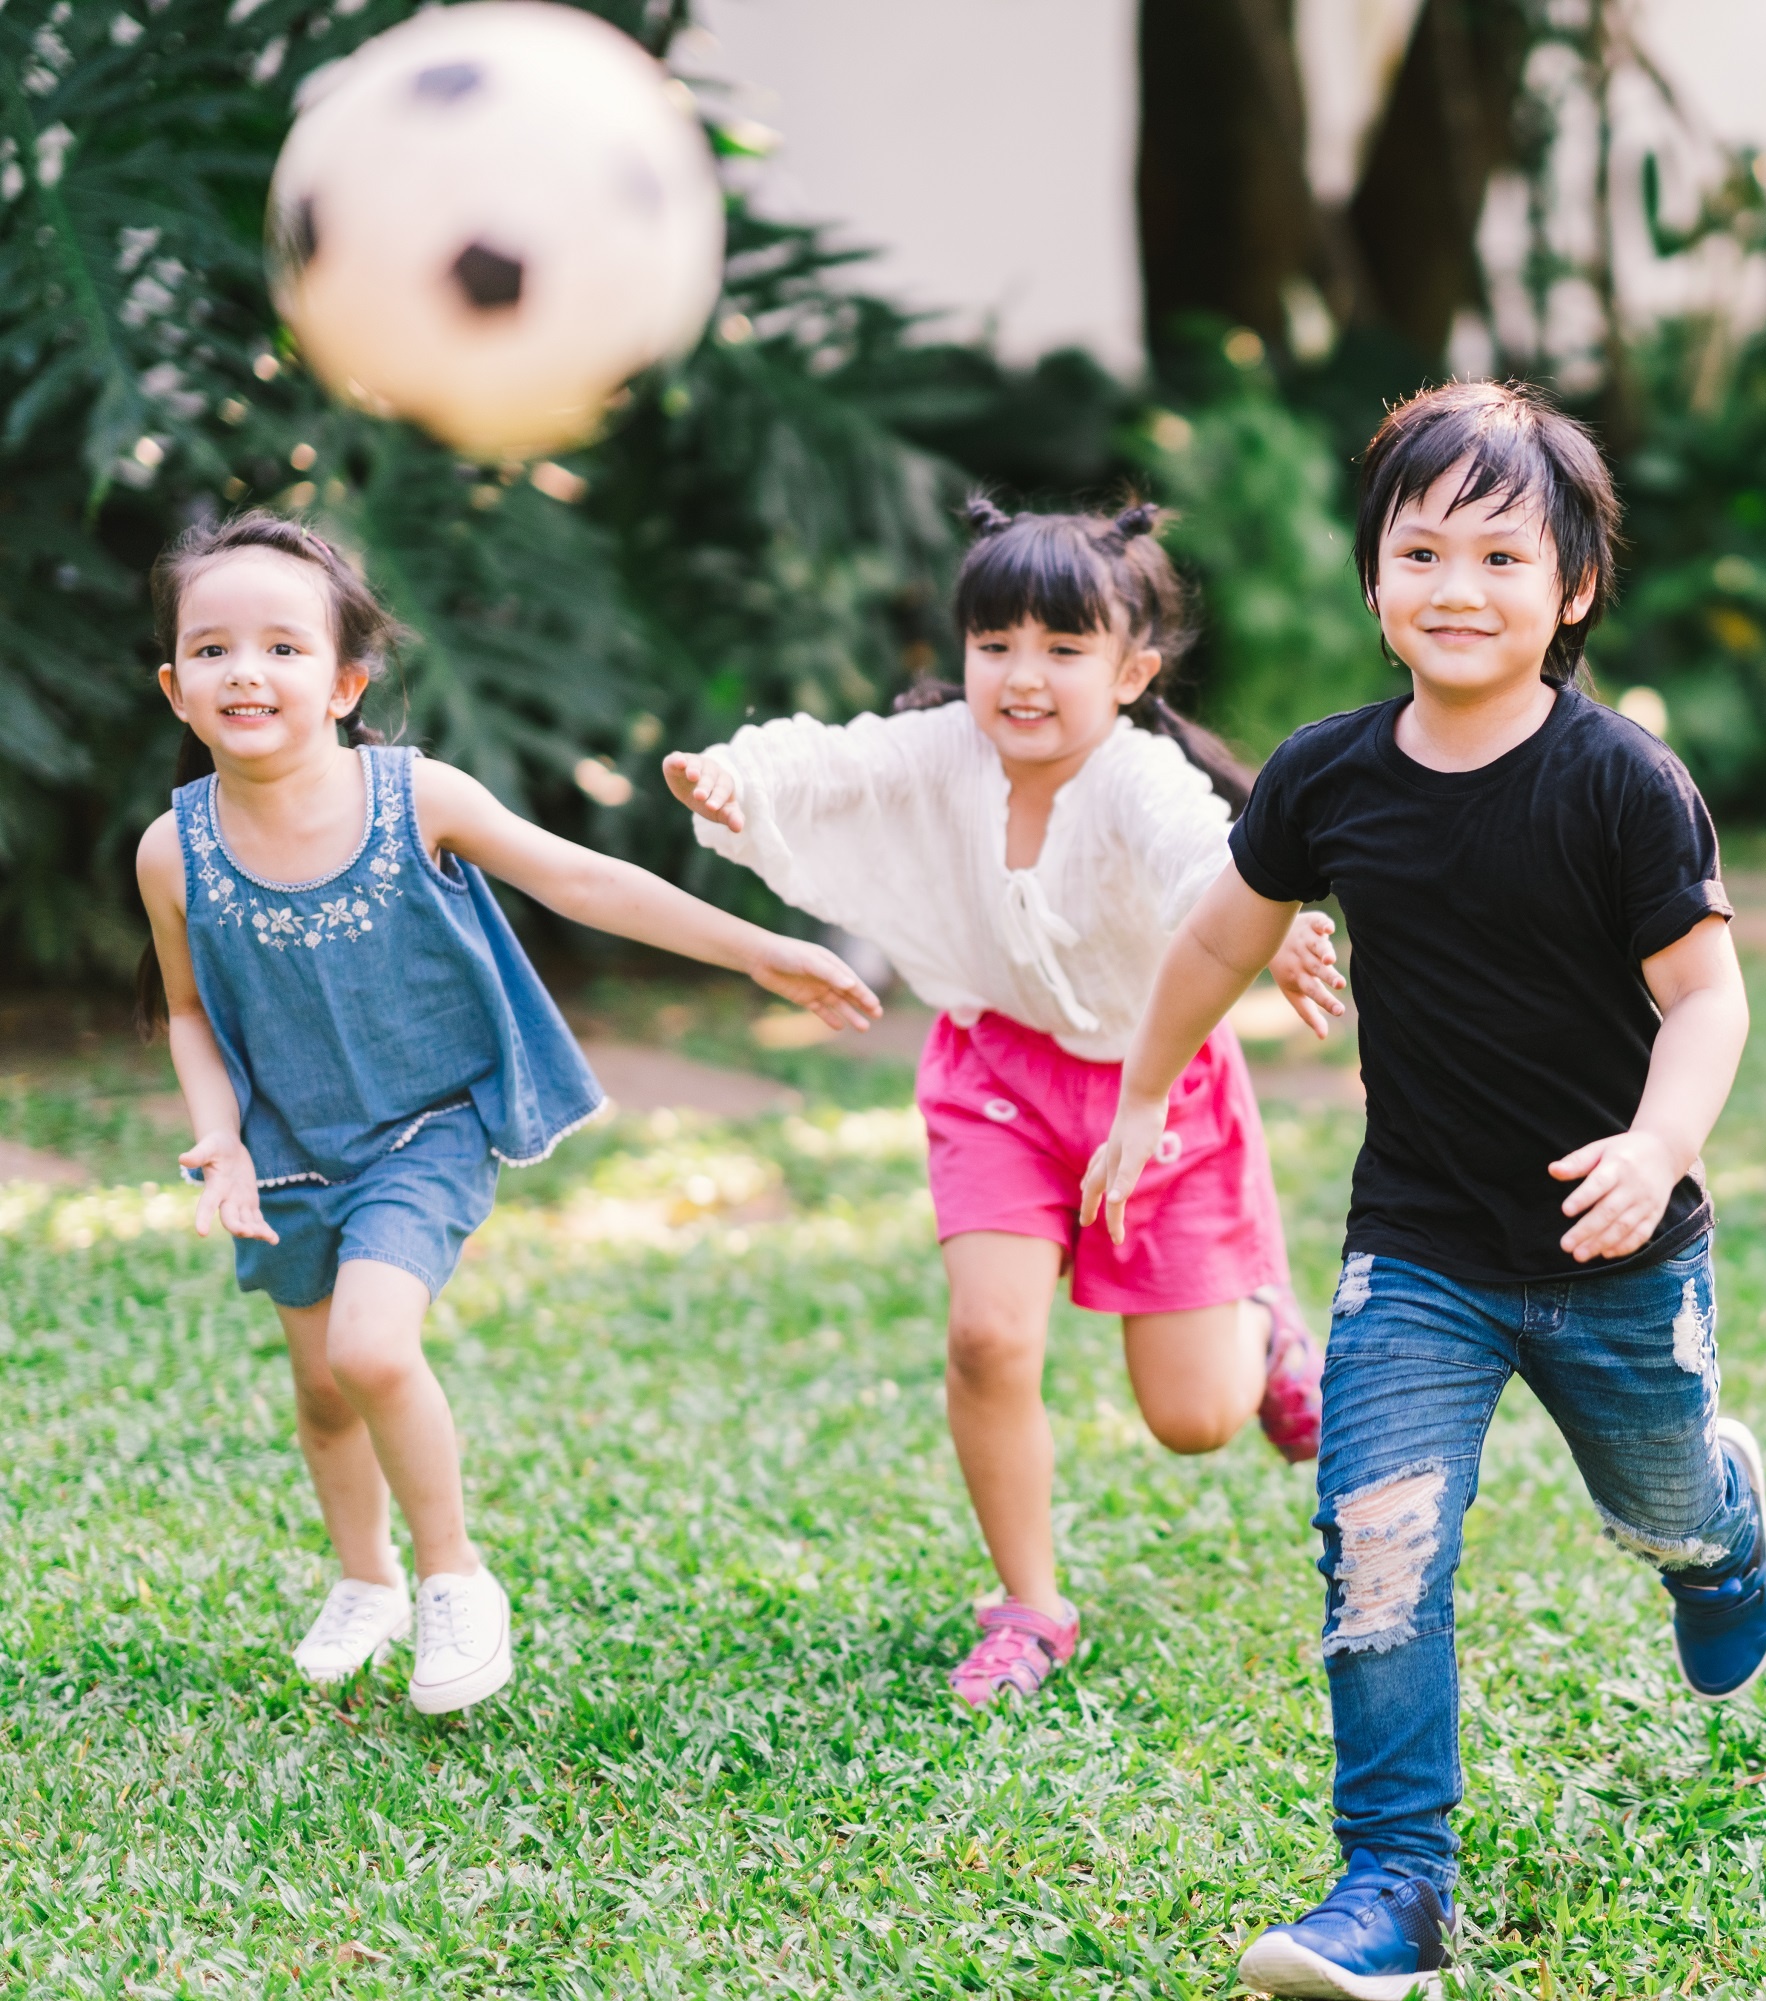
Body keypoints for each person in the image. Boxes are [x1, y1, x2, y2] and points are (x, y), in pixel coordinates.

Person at [1083, 381, 1766, 1999]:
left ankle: (1718, 1530)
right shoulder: (1328, 779)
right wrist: (1136, 1102)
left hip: (1618, 1259)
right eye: (1419, 549)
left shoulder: (1623, 782)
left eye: (1500, 552)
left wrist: (1660, 1145)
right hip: (1420, 1253)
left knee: (1655, 1504)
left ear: (1574, 586)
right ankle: (1391, 1885)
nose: (1456, 586)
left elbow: (1708, 998)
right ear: (1375, 577)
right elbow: (1216, 942)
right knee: (1376, 1535)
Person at [135, 510, 881, 1715]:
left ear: (344, 683)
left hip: (425, 1124)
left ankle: (455, 1578)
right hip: (284, 1148)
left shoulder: (413, 794)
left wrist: (756, 952)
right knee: (322, 1390)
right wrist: (217, 1131)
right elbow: (185, 1011)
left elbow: (583, 879)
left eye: (283, 645)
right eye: (212, 649)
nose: (246, 671)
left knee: (371, 1348)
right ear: (176, 688)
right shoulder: (172, 854)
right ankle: (365, 1580)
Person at [664, 499, 1346, 1709]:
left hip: (1154, 1082)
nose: (1022, 678)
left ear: (1133, 671)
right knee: (988, 1337)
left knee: (1194, 1419)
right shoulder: (943, 754)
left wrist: (1274, 923)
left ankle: (1267, 1330)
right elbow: (832, 757)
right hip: (994, 1080)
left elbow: (1207, 858)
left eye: (1063, 650)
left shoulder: (1137, 775)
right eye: (996, 646)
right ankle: (1030, 1604)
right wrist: (734, 777)